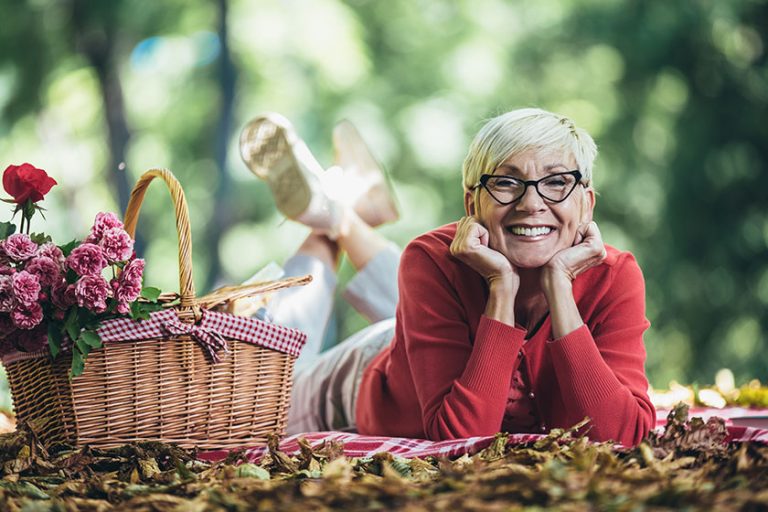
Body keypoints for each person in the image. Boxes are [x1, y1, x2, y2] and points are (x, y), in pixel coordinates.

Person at [239, 108, 655, 447]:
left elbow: (619, 435)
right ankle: (334, 213)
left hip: (432, 333)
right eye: (507, 183)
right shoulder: (431, 260)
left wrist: (560, 290)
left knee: (425, 284)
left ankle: (336, 208)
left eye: (557, 183)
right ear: (471, 203)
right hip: (366, 374)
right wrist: (502, 288)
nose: (532, 203)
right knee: (260, 381)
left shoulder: (614, 276)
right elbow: (460, 438)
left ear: (587, 205)